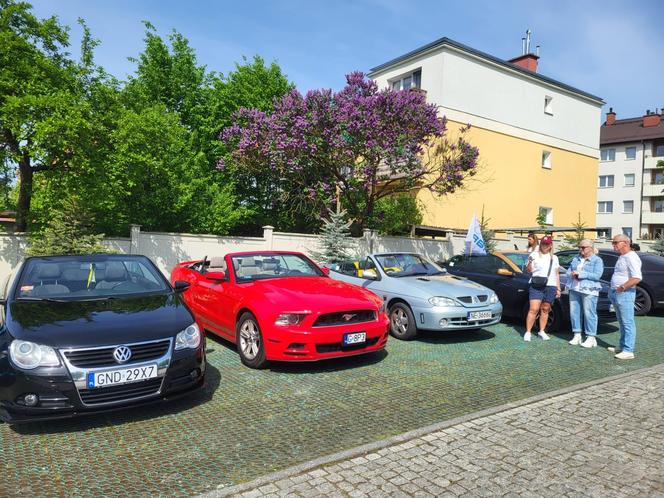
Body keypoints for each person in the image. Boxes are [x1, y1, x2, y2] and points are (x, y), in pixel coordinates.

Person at [607, 235, 642, 359]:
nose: (613, 244)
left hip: (625, 293)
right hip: (617, 293)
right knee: (621, 321)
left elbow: (637, 277)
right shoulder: (622, 256)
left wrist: (622, 287)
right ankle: (622, 346)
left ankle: (628, 350)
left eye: (616, 242)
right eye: (613, 242)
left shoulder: (632, 257)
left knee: (627, 322)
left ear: (626, 243)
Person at [566, 239, 604, 348]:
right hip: (574, 288)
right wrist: (571, 273)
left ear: (591, 248)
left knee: (589, 313)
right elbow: (568, 271)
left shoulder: (597, 260)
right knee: (574, 313)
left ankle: (591, 337)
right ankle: (577, 335)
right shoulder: (576, 259)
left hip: (589, 289)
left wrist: (581, 274)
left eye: (583, 247)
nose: (581, 249)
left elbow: (597, 275)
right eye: (580, 247)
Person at [524, 235, 560, 341]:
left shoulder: (554, 257)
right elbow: (529, 271)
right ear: (541, 244)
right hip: (536, 285)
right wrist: (530, 262)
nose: (545, 246)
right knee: (533, 309)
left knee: (545, 309)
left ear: (551, 245)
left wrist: (558, 288)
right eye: (543, 243)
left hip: (551, 286)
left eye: (547, 244)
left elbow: (556, 273)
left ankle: (542, 331)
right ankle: (528, 332)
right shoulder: (534, 254)